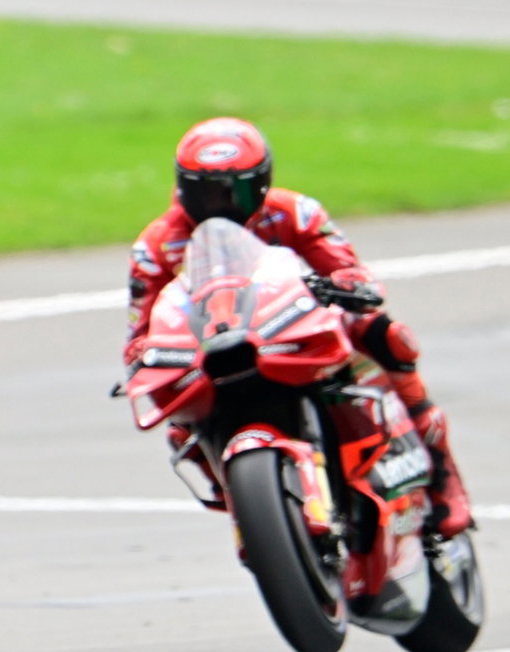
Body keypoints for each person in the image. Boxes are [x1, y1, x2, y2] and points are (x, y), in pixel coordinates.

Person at [123, 116, 471, 538]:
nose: (222, 204)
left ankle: (440, 470)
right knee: (178, 421)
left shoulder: (295, 212)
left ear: (263, 183)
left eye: (237, 190)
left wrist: (347, 285)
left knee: (382, 333)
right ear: (183, 188)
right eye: (206, 191)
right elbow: (141, 329)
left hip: (291, 326)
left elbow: (348, 270)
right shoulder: (156, 246)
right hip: (213, 346)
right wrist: (145, 356)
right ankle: (248, 508)